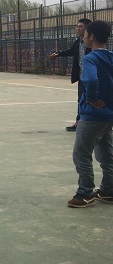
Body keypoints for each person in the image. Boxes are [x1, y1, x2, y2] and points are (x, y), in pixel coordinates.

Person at [68, 20, 113, 208]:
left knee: (81, 154)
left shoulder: (90, 58)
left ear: (92, 36)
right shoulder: (111, 56)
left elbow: (91, 80)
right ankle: (109, 190)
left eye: (85, 33)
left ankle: (85, 193)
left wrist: (92, 98)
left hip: (93, 115)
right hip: (108, 115)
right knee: (106, 154)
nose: (84, 37)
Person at [49, 18, 92, 131]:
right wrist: (57, 54)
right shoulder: (78, 41)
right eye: (77, 26)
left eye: (80, 26)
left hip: (92, 77)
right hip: (82, 77)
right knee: (81, 100)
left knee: (93, 100)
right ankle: (79, 123)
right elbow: (71, 51)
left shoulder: (92, 43)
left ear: (87, 28)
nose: (78, 28)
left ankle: (97, 123)